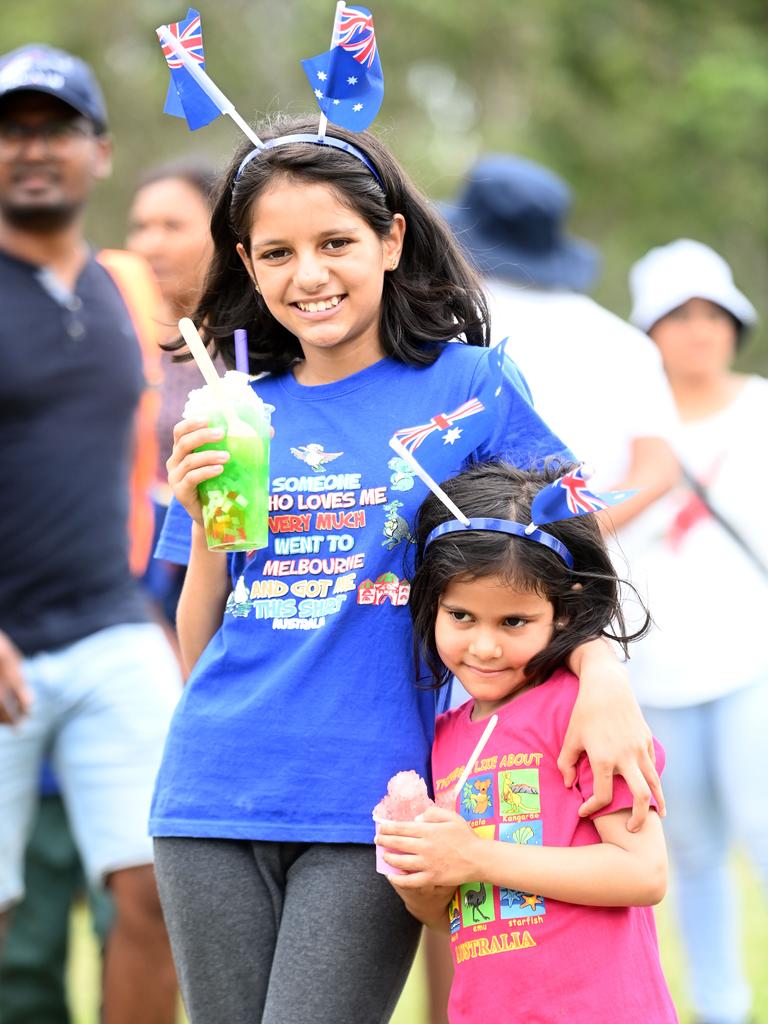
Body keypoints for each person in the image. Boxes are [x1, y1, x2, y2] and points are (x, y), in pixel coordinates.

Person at [150, 112, 664, 1024]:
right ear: (246, 262)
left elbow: (569, 553)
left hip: (380, 798)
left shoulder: (470, 388)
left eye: (335, 241)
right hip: (211, 788)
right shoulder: (235, 409)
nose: (308, 274)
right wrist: (200, 530)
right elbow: (203, 652)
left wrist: (605, 669)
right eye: (277, 253)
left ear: (390, 240)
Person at [0, 44, 182, 1024]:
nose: (33, 151)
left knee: (160, 890)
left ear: (100, 152)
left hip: (112, 625)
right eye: (12, 132)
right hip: (3, 637)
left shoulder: (126, 289)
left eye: (56, 129)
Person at [380, 460, 676, 1024]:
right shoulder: (440, 740)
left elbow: (644, 873)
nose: (484, 647)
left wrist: (475, 855)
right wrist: (422, 876)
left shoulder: (581, 713)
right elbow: (459, 916)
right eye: (461, 616)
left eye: (513, 622)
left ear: (562, 614)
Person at [620, 238, 766, 1024]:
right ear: (649, 332)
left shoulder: (761, 408)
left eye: (714, 314)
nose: (698, 331)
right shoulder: (624, 427)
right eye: (678, 316)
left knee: (765, 828)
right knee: (696, 853)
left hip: (754, 661)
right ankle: (721, 1010)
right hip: (657, 672)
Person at [441, 154, 679, 520]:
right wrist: (575, 542)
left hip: (461, 558)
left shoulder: (449, 322)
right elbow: (657, 471)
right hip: (593, 569)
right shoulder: (625, 343)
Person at [126, 158, 218, 628]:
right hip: (134, 569)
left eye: (172, 226)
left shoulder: (259, 339)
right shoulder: (121, 331)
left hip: (219, 553)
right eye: (140, 227)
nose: (149, 244)